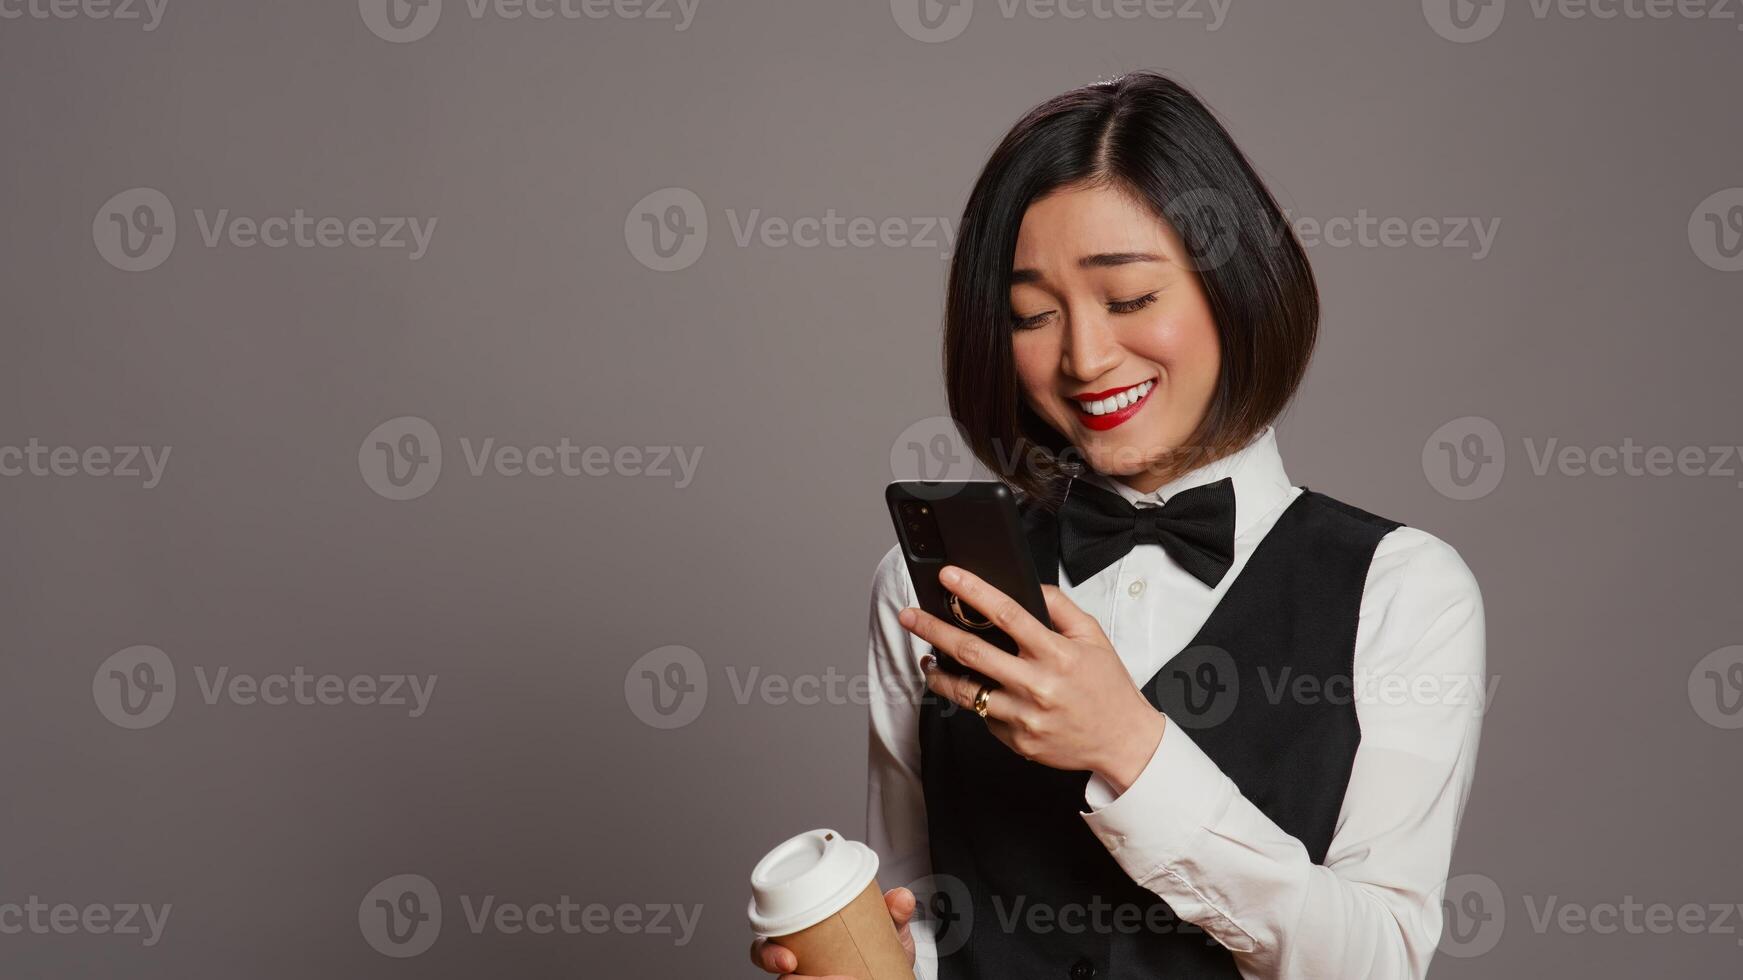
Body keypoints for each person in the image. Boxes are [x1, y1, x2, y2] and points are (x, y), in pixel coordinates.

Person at [752, 69, 1485, 980]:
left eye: (1129, 299)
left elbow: (1377, 959)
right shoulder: (925, 586)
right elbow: (921, 915)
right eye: (1031, 314)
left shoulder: (1402, 589)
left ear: (1235, 286)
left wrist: (1128, 747)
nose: (1084, 357)